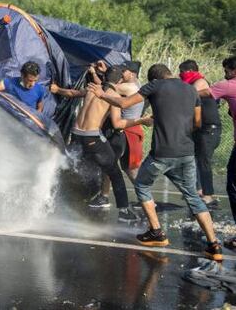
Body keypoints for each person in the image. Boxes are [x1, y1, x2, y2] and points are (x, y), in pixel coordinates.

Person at [88, 64, 222, 261]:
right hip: (186, 152)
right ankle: (213, 245)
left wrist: (101, 94)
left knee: (142, 185)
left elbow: (123, 104)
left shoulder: (155, 86)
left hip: (162, 153)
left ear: (154, 79)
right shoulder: (190, 89)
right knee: (193, 196)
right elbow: (197, 123)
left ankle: (157, 232)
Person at [70, 66, 152, 222]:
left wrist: (57, 89)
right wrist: (142, 120)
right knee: (115, 172)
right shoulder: (113, 96)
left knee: (80, 166)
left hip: (76, 134)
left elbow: (72, 93)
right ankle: (124, 212)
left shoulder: (93, 89)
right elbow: (117, 124)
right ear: (120, 81)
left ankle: (79, 197)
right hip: (91, 137)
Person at [198, 55, 236, 250]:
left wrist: (177, 90)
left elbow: (203, 93)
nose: (225, 74)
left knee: (233, 184)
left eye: (227, 70)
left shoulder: (229, 84)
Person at [100, 61, 145, 208]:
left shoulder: (128, 86)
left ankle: (145, 197)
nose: (121, 73)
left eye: (123, 71)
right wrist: (107, 71)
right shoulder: (136, 85)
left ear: (131, 74)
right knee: (117, 165)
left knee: (128, 168)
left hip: (127, 131)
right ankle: (104, 196)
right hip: (129, 130)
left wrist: (100, 75)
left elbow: (108, 87)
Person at [179, 60, 221, 208]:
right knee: (192, 160)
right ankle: (198, 191)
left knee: (204, 162)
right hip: (199, 129)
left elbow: (188, 97)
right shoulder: (190, 84)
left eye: (184, 72)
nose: (182, 75)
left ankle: (209, 197)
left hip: (209, 129)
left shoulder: (200, 82)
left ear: (191, 71)